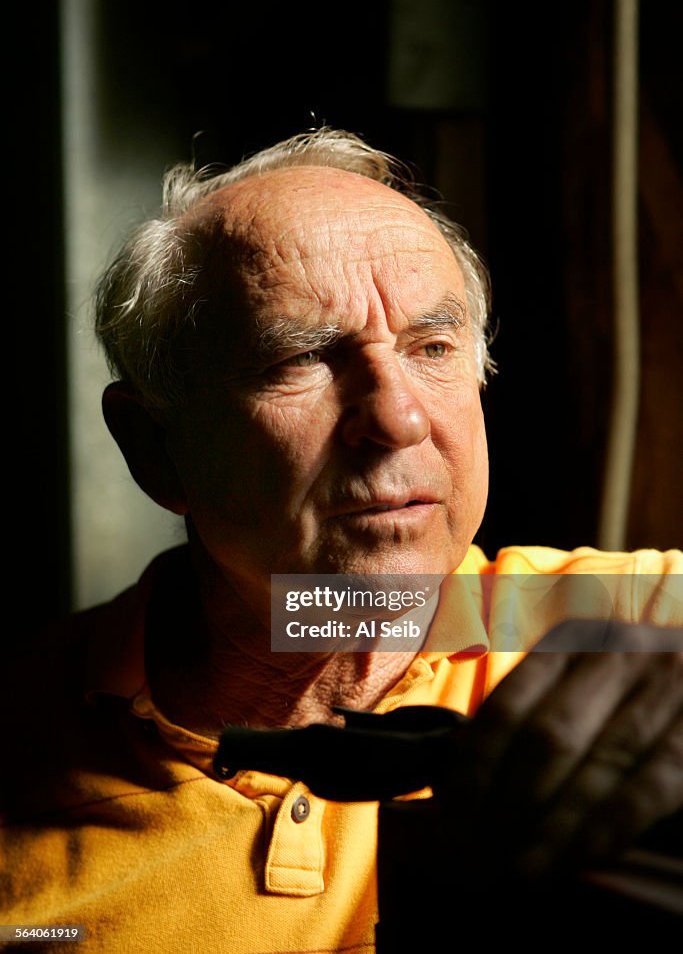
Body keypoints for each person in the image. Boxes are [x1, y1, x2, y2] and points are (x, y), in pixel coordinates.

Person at [1, 128, 681, 952]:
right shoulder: (25, 738)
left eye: (431, 348)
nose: (396, 419)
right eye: (299, 359)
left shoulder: (613, 619)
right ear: (154, 447)